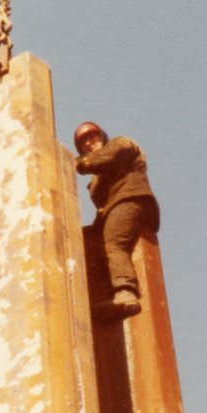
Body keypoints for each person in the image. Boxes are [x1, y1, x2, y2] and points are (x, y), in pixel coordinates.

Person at [73, 121, 160, 320]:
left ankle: (125, 290)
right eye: (83, 142)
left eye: (91, 137)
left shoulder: (121, 144)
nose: (88, 143)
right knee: (95, 246)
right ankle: (106, 299)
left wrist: (76, 162)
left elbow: (107, 158)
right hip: (115, 207)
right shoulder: (95, 180)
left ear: (102, 136)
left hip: (130, 198)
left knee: (114, 244)